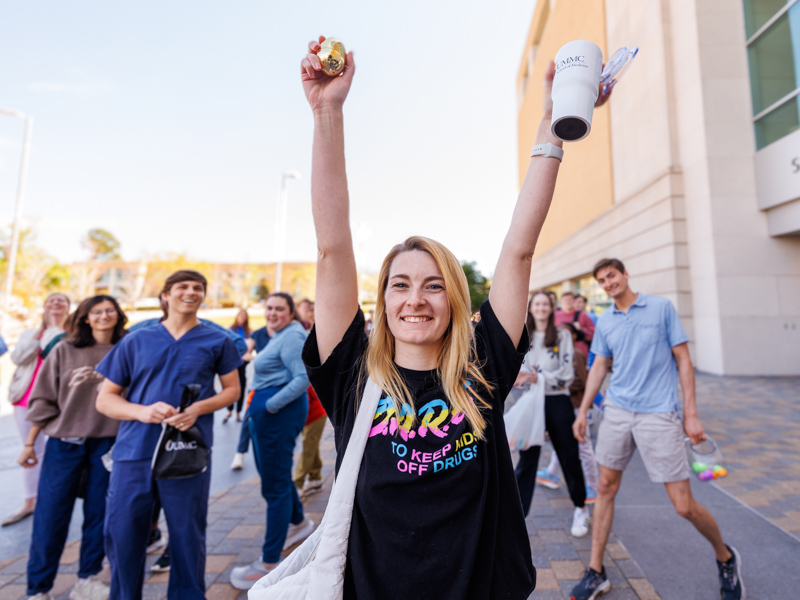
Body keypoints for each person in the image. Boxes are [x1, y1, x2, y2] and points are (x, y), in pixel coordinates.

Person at [266, 36, 610, 600]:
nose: (415, 300)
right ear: (382, 301)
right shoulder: (352, 371)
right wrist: (327, 111)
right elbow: (332, 249)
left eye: (433, 286)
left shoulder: (483, 367)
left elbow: (519, 251)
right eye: (399, 285)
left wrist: (553, 127)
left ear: (454, 299)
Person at [569, 258, 743, 600]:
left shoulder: (661, 308)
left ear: (625, 275)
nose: (608, 283)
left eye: (612, 275)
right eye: (602, 280)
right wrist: (584, 409)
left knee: (683, 506)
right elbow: (600, 365)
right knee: (604, 487)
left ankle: (725, 556)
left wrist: (690, 414)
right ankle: (595, 571)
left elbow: (683, 360)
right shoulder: (605, 320)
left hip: (658, 413)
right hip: (618, 410)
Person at [95, 270, 242, 600]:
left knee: (187, 534)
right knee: (124, 533)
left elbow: (232, 390)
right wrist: (142, 411)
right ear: (165, 295)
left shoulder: (216, 340)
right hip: (134, 452)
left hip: (187, 450)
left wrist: (198, 409)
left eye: (198, 288)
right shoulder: (136, 341)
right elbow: (105, 399)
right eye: (182, 287)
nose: (190, 292)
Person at [20, 295, 126, 600]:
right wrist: (29, 444)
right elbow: (43, 399)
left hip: (108, 445)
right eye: (96, 312)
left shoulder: (126, 350)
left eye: (110, 311)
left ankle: (87, 580)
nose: (104, 316)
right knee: (50, 517)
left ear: (118, 316)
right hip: (64, 446)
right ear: (85, 317)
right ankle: (38, 589)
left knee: (99, 515)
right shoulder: (65, 349)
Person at [230, 293, 314, 589]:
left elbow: (302, 377)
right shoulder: (280, 334)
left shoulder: (291, 335)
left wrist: (270, 406)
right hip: (267, 417)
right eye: (269, 308)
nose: (272, 313)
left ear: (291, 313)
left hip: (276, 417)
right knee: (275, 476)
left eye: (280, 308)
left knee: (274, 486)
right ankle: (300, 523)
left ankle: (269, 561)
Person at [512, 292, 589, 536]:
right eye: (537, 304)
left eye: (546, 304)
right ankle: (516, 515)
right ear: (531, 308)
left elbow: (567, 373)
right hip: (532, 401)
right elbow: (520, 370)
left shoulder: (563, 335)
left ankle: (580, 507)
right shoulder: (524, 335)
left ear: (551, 307)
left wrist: (538, 377)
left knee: (569, 456)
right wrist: (529, 378)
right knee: (527, 459)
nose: (542, 308)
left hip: (558, 401)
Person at [4, 293, 70, 527]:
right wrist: (39, 333)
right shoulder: (30, 333)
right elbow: (18, 357)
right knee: (32, 451)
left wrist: (56, 331)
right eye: (51, 300)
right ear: (44, 307)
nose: (55, 304)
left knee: (58, 453)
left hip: (59, 403)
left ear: (68, 307)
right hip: (25, 400)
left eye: (61, 301)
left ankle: (51, 500)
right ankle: (29, 501)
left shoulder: (72, 335)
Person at [536, 322, 599, 504]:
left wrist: (556, 384)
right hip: (564, 406)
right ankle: (553, 473)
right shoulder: (558, 353)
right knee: (563, 444)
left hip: (577, 406)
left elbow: (581, 381)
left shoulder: (576, 354)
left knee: (583, 446)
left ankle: (592, 487)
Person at [224, 309, 252, 424]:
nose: (242, 317)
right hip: (232, 362)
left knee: (241, 387)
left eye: (244, 316)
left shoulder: (248, 331)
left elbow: (250, 349)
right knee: (230, 387)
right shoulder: (231, 329)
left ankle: (238, 412)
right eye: (241, 315)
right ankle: (229, 411)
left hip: (243, 363)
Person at [555, 291, 595, 357]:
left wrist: (581, 329)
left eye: (570, 299)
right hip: (560, 352)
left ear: (574, 301)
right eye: (565, 300)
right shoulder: (555, 316)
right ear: (561, 302)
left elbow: (594, 333)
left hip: (579, 354)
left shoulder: (582, 315)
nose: (568, 302)